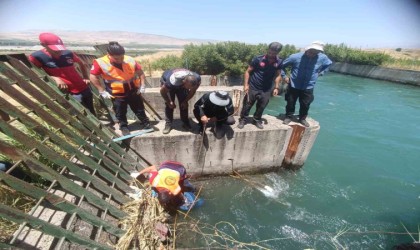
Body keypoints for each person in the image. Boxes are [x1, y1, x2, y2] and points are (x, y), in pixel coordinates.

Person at [90, 42, 151, 135]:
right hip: (117, 93)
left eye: (122, 57)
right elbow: (93, 76)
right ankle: (124, 127)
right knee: (120, 111)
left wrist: (142, 85)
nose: (120, 60)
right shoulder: (100, 62)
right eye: (116, 58)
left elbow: (140, 72)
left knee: (139, 108)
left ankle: (145, 122)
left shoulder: (129, 59)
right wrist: (101, 90)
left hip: (133, 90)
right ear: (109, 55)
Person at [29, 32, 96, 115]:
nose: (59, 51)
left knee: (91, 111)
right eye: (55, 49)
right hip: (68, 92)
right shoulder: (37, 57)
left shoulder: (68, 53)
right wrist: (55, 78)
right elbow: (35, 73)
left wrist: (85, 76)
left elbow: (80, 63)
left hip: (83, 87)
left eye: (60, 48)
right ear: (43, 45)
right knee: (79, 114)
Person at [281, 41, 332, 127]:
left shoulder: (323, 58)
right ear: (308, 49)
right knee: (290, 101)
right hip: (294, 84)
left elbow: (328, 65)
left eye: (316, 53)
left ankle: (302, 118)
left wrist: (321, 72)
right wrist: (284, 76)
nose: (312, 54)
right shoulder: (295, 57)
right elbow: (281, 66)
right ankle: (288, 116)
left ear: (319, 52)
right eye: (311, 52)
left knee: (306, 103)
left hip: (309, 85)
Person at [237, 42, 283, 129]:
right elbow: (248, 71)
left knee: (262, 106)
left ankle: (256, 119)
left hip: (266, 89)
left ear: (278, 53)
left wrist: (276, 87)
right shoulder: (258, 59)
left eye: (274, 53)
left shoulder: (279, 61)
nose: (271, 54)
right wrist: (246, 85)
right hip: (253, 86)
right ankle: (243, 119)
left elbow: (278, 75)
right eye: (270, 52)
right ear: (268, 49)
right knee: (247, 105)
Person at [131, 161, 196, 212]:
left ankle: (192, 189)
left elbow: (181, 192)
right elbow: (153, 167)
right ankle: (190, 187)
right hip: (166, 164)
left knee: (182, 182)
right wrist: (139, 173)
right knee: (178, 180)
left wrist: (185, 200)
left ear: (170, 193)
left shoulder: (175, 190)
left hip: (179, 168)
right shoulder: (154, 182)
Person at [159, 68, 201, 134]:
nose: (189, 89)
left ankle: (185, 122)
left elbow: (193, 91)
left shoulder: (197, 78)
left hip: (182, 84)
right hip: (167, 80)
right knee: (169, 105)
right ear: (184, 82)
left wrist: (185, 101)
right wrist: (169, 101)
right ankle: (168, 124)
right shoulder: (170, 82)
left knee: (184, 103)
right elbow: (162, 91)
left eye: (190, 88)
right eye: (188, 87)